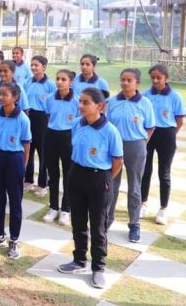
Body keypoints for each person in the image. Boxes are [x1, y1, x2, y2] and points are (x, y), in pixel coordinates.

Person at [57, 87, 123, 290]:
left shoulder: (110, 131)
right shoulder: (77, 123)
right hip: (76, 174)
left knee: (98, 225)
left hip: (99, 178)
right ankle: (78, 259)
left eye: (86, 102)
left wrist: (104, 179)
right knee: (78, 221)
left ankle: (98, 268)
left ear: (100, 106)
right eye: (80, 102)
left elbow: (117, 161)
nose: (81, 106)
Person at [0, 81, 31, 260]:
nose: (1, 98)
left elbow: (26, 144)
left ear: (15, 98)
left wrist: (22, 166)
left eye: (5, 94)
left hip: (14, 159)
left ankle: (14, 239)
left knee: (15, 202)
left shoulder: (23, 118)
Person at [106, 68, 155, 243]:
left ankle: (134, 224)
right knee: (112, 184)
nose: (125, 83)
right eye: (123, 80)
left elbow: (150, 127)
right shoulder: (112, 101)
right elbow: (108, 126)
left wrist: (141, 144)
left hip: (136, 145)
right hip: (115, 147)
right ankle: (107, 219)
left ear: (137, 83)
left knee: (134, 186)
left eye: (129, 80)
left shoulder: (145, 103)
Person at [141, 64, 186, 225]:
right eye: (153, 77)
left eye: (159, 77)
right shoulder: (145, 95)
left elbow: (180, 121)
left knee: (164, 173)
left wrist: (171, 136)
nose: (155, 80)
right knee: (145, 170)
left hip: (167, 135)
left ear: (166, 78)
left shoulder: (175, 96)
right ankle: (143, 203)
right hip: (148, 134)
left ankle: (163, 208)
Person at [42, 69, 79, 226]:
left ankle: (66, 209)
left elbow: (78, 123)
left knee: (68, 174)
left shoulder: (77, 100)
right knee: (53, 174)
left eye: (63, 79)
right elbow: (49, 116)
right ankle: (53, 207)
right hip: (51, 136)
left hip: (68, 137)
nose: (59, 82)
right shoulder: (50, 98)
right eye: (57, 78)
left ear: (70, 82)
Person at [23, 55, 56, 194]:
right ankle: (28, 180)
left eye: (36, 65)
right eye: (32, 64)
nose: (33, 67)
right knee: (28, 149)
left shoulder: (50, 84)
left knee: (43, 151)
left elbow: (53, 104)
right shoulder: (27, 82)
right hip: (28, 116)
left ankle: (43, 184)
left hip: (43, 118)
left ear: (44, 67)